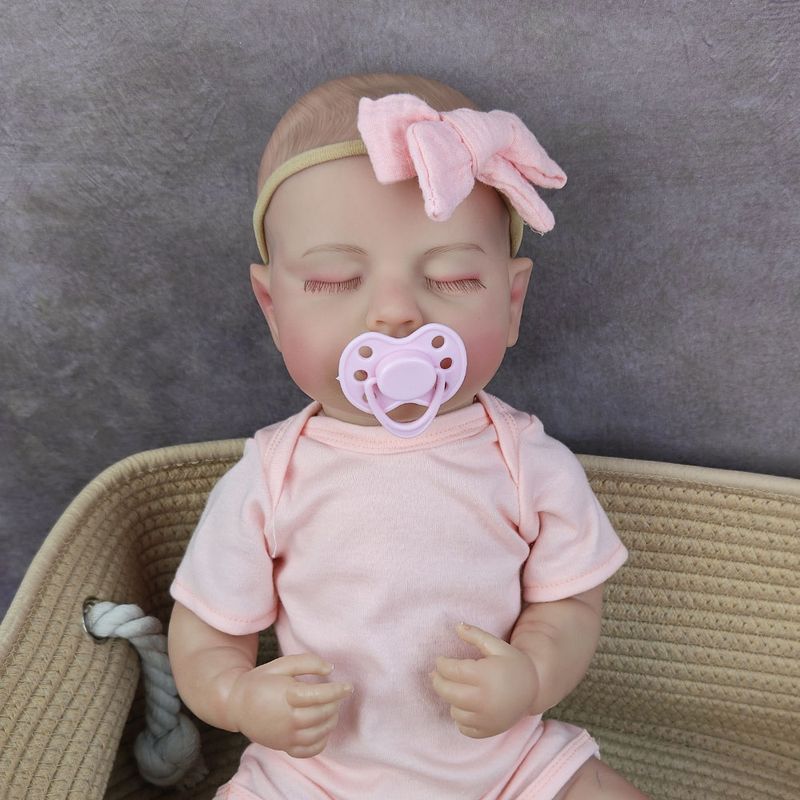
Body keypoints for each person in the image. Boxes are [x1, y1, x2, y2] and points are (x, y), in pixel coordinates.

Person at [167, 72, 649, 800]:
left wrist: (530, 676)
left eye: (451, 278)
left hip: (505, 768)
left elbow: (568, 607)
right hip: (314, 776)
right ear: (272, 307)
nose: (395, 313)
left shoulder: (526, 462)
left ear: (512, 300)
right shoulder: (270, 475)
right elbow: (206, 632)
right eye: (336, 280)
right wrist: (239, 698)